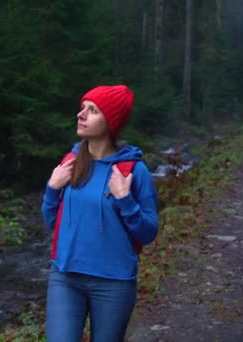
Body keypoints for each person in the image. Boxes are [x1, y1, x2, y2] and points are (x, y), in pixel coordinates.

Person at [41, 84, 159, 341]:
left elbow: (149, 232)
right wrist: (52, 189)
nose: (81, 115)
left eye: (92, 110)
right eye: (82, 108)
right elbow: (54, 223)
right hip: (65, 277)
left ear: (110, 122)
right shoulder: (71, 163)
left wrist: (125, 200)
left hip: (113, 284)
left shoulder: (133, 171)